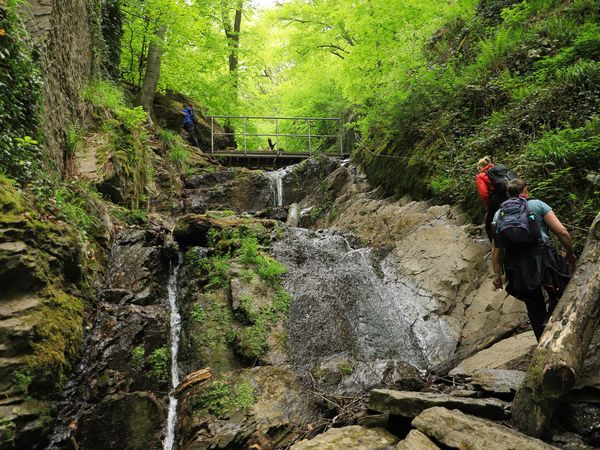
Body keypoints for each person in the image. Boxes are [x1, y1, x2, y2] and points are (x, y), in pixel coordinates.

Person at [491, 178, 575, 340]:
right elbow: (562, 232)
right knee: (562, 289)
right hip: (543, 257)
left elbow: (496, 250)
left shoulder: (498, 214)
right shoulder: (537, 205)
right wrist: (570, 252)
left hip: (516, 263)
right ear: (526, 190)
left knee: (534, 305)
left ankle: (542, 340)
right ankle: (554, 323)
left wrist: (497, 275)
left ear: (508, 194)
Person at [476, 156, 515, 242]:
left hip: (497, 200)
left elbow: (484, 194)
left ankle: (496, 247)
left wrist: (488, 206)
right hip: (512, 195)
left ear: (480, 167)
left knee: (490, 225)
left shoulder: (481, 176)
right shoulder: (500, 170)